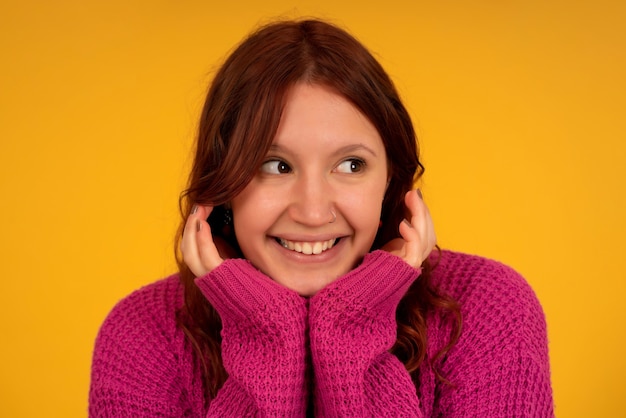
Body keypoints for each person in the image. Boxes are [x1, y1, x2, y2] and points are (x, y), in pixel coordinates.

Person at [89, 19, 554, 417]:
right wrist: (263, 334)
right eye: (274, 165)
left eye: (350, 165)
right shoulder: (143, 335)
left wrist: (352, 328)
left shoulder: (486, 308)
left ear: (391, 178)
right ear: (223, 181)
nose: (313, 212)